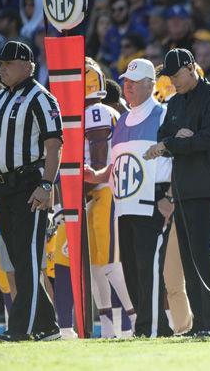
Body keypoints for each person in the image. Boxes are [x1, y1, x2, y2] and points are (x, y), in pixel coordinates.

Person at [0, 41, 62, 342]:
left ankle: (22, 328)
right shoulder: (0, 100)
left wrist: (47, 184)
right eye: (0, 62)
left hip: (30, 185)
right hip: (2, 189)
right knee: (20, 260)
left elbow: (54, 145)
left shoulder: (41, 98)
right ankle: (48, 327)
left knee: (28, 259)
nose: (1, 67)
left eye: (8, 62)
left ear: (28, 65)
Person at [146, 48, 210, 336]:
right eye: (169, 77)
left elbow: (209, 138)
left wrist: (177, 141)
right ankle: (200, 325)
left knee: (205, 253)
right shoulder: (174, 102)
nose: (173, 81)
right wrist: (179, 139)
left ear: (192, 67)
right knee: (189, 256)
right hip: (184, 187)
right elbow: (163, 139)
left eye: (177, 75)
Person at [85, 58, 173, 338]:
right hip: (125, 204)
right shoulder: (121, 119)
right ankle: (144, 328)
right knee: (132, 268)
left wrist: (170, 196)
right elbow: (117, 165)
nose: (128, 86)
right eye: (126, 81)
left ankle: (156, 328)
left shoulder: (163, 114)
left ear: (151, 84)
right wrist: (96, 176)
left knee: (149, 267)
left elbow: (179, 158)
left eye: (134, 82)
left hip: (153, 199)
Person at [83, 58, 136, 338]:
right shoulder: (96, 111)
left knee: (109, 261)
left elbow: (99, 155)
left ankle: (134, 315)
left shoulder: (96, 112)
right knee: (95, 262)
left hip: (103, 191)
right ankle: (106, 325)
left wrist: (92, 180)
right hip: (98, 192)